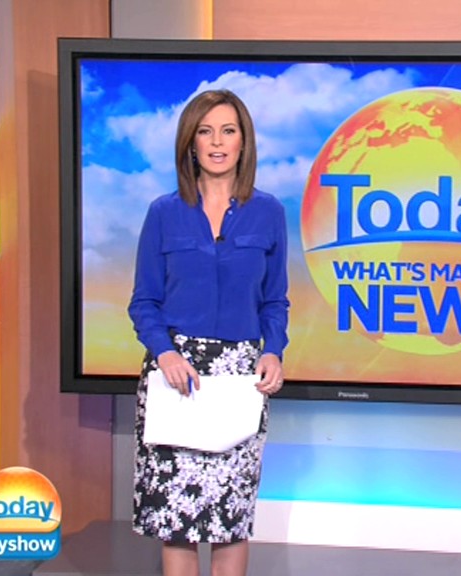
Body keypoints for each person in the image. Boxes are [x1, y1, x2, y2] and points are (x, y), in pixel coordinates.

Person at [127, 89, 289, 576]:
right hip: (177, 374)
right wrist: (165, 353)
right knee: (176, 523)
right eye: (205, 131)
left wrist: (273, 351)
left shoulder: (269, 212)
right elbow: (144, 302)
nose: (217, 142)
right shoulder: (163, 212)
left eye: (228, 131)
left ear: (243, 142)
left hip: (239, 375)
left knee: (229, 522)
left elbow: (274, 300)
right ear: (190, 143)